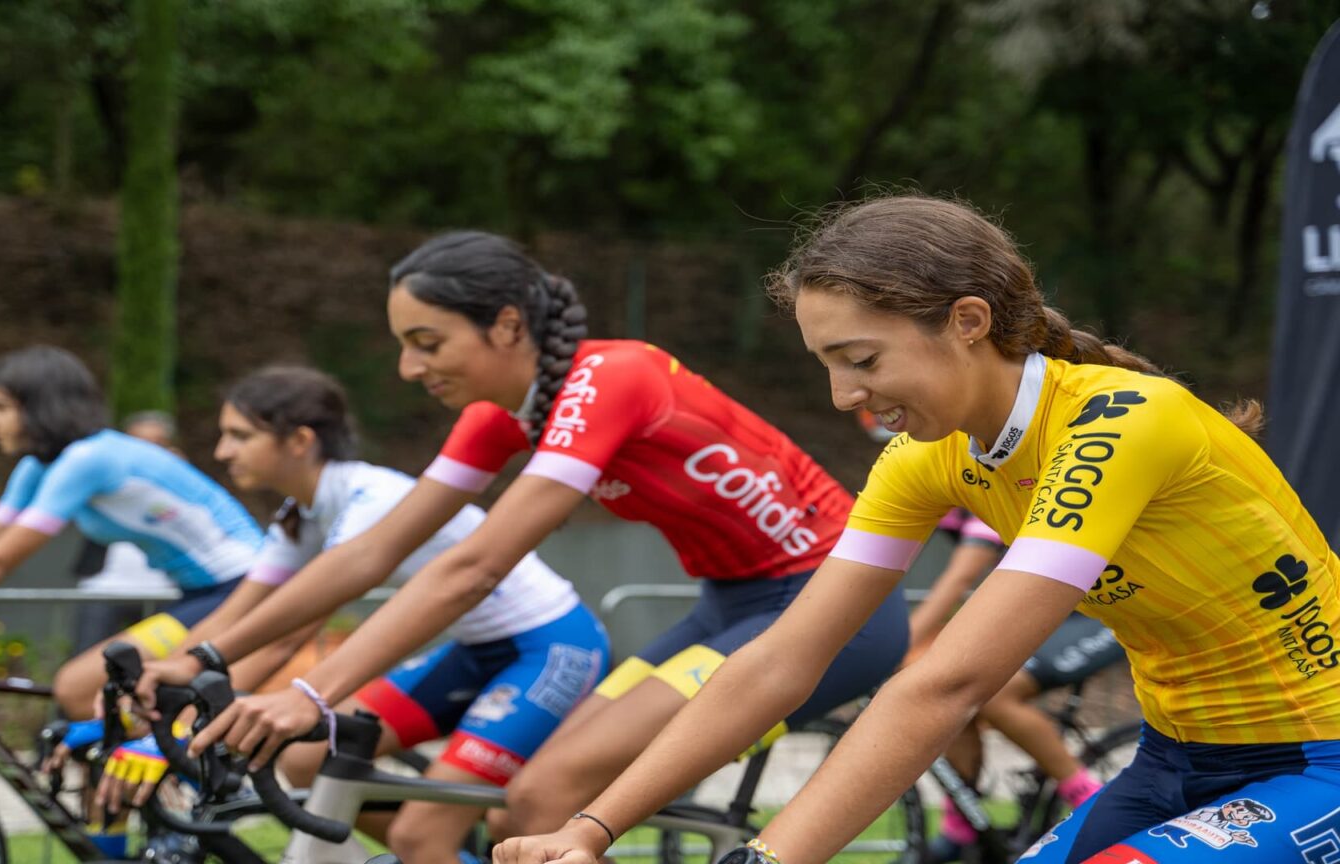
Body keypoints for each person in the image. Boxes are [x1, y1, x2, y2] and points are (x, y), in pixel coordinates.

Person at [493, 195, 1340, 864]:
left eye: (861, 361)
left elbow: (948, 685)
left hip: (1320, 754)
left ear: (967, 322)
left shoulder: (1123, 422)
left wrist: (767, 856)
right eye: (826, 367)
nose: (843, 397)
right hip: (1175, 757)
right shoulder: (925, 458)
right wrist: (593, 828)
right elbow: (779, 662)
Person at [149, 231, 907, 864]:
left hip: (837, 607)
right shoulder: (504, 415)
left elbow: (474, 568)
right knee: (524, 812)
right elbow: (370, 554)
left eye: (426, 342)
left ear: (508, 325)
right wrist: (205, 656)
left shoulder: (613, 378)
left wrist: (312, 693)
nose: (410, 368)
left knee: (548, 797)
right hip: (730, 604)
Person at [103, 364, 607, 864]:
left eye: (239, 435)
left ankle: (429, 846)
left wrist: (182, 726)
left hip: (549, 645)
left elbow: (284, 638)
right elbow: (235, 621)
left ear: (299, 440)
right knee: (306, 756)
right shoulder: (300, 515)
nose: (222, 451)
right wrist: (169, 686)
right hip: (477, 650)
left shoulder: (371, 500)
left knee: (418, 833)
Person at [0, 346, 263, 724]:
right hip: (200, 593)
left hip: (242, 588)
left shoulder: (89, 459)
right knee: (93, 701)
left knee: (78, 688)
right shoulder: (40, 466)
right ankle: (147, 800)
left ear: (38, 408)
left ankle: (175, 797)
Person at [864, 410, 1129, 861]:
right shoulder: (935, 466)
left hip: (1094, 613)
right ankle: (962, 823)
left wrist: (904, 642)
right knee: (945, 686)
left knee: (994, 695)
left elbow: (959, 577)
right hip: (1045, 607)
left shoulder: (987, 466)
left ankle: (1089, 800)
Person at [70, 410, 182, 653]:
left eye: (156, 444)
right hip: (104, 588)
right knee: (87, 658)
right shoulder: (104, 477)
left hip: (164, 590)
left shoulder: (184, 487)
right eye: (138, 443)